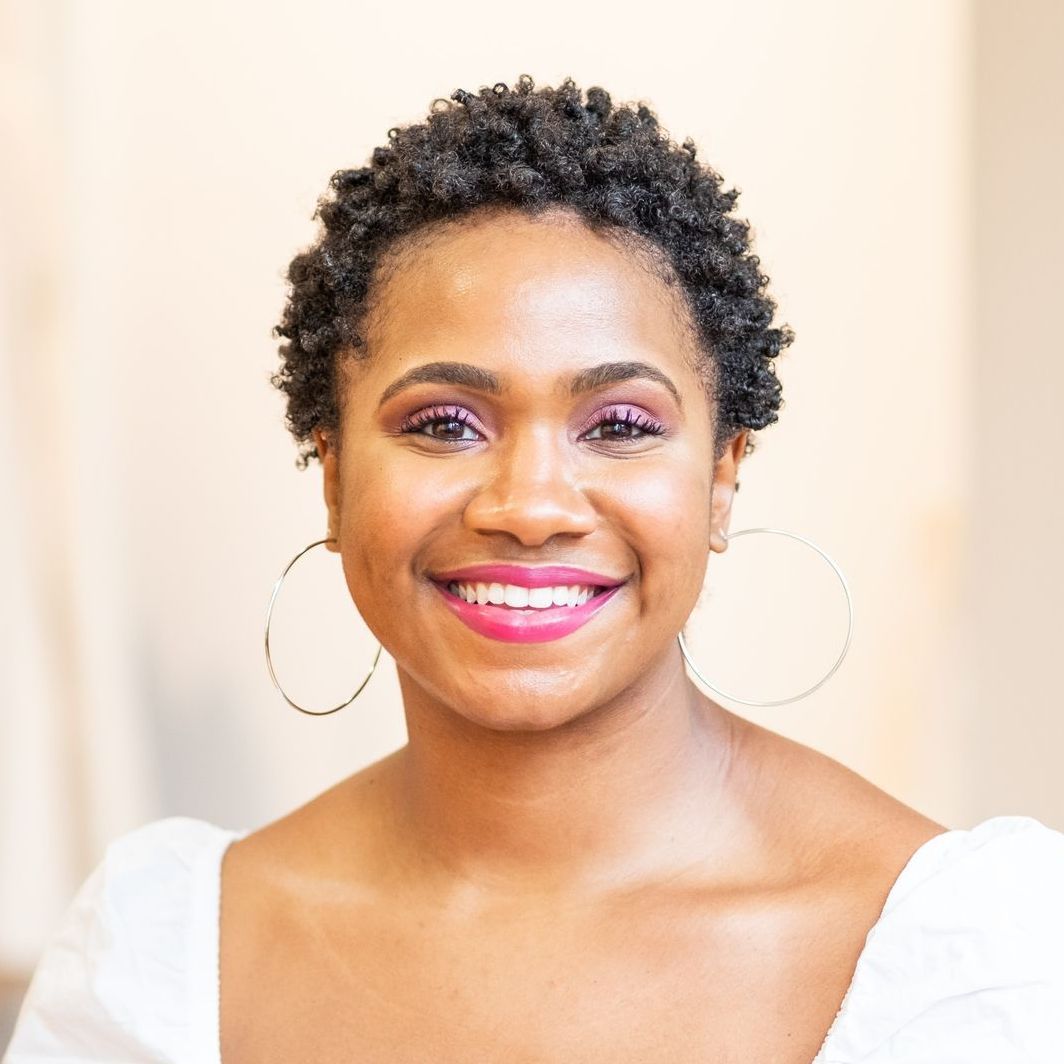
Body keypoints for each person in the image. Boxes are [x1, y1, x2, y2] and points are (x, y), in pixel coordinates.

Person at [6, 75, 1063, 1064]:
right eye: (444, 423)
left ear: (722, 478)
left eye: (616, 423)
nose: (528, 506)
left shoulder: (973, 955)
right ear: (331, 477)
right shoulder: (164, 955)